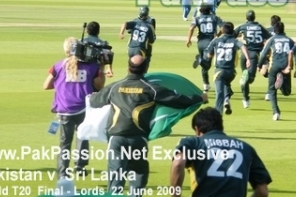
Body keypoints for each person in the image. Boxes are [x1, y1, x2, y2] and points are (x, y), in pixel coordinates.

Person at [89, 55, 208, 195]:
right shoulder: (151, 88)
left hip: (116, 139)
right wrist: (199, 98)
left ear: (128, 68)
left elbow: (94, 101)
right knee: (139, 177)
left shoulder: (115, 87)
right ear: (145, 68)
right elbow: (176, 99)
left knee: (116, 179)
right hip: (138, 139)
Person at [170, 107, 272, 197]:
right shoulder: (246, 148)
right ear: (220, 126)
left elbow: (178, 164)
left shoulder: (194, 142)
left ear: (197, 129)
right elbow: (262, 191)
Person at [43, 37, 106, 178]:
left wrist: (62, 83)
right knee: (83, 137)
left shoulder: (58, 66)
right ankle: (80, 166)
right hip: (84, 108)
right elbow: (99, 85)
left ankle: (62, 172)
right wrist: (101, 67)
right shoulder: (91, 67)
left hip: (64, 109)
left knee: (64, 143)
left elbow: (46, 85)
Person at [204, 22, 250, 115]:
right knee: (226, 85)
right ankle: (226, 100)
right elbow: (243, 46)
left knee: (219, 93)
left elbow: (208, 55)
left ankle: (217, 114)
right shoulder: (234, 40)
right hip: (231, 73)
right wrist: (248, 58)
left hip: (219, 71)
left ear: (222, 30)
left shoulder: (216, 40)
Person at [233, 10, 272, 109]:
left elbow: (232, 34)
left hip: (244, 54)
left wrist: (241, 37)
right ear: (254, 17)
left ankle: (246, 98)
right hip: (254, 55)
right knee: (249, 79)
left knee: (246, 77)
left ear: (246, 18)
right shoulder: (260, 27)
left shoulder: (243, 26)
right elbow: (270, 38)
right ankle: (246, 98)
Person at [257, 21, 293, 121]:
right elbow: (295, 52)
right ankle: (281, 84)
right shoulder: (289, 40)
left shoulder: (271, 39)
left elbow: (263, 54)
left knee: (272, 91)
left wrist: (259, 65)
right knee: (287, 92)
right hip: (286, 67)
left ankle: (276, 112)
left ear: (274, 30)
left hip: (274, 67)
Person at [186, 4, 221, 92]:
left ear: (200, 10)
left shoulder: (197, 18)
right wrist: (218, 35)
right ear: (210, 10)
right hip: (211, 43)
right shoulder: (215, 17)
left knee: (205, 64)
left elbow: (191, 28)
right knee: (207, 64)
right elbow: (223, 27)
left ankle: (206, 84)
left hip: (200, 43)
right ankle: (201, 62)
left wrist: (189, 40)